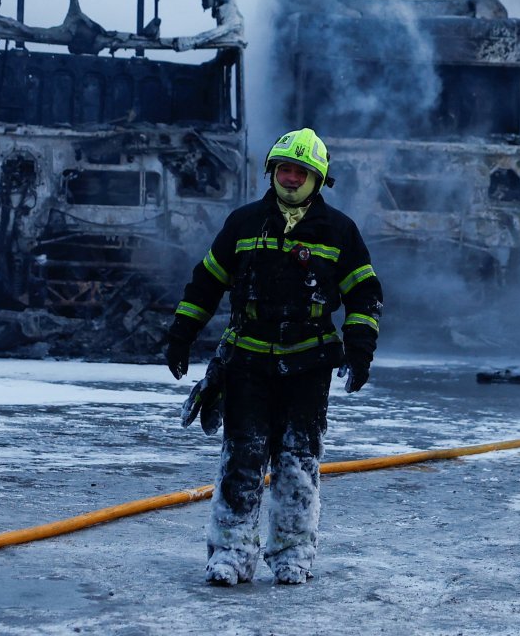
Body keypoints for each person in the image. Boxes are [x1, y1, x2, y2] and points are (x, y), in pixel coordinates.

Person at [164, 127, 383, 586]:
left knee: (296, 463)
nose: (289, 177)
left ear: (317, 178)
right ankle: (231, 554)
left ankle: (292, 554)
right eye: (283, 168)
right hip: (246, 365)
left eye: (299, 171)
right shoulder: (244, 224)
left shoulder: (339, 231)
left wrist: (360, 350)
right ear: (271, 172)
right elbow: (206, 283)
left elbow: (364, 295)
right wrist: (182, 334)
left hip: (307, 367)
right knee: (241, 460)